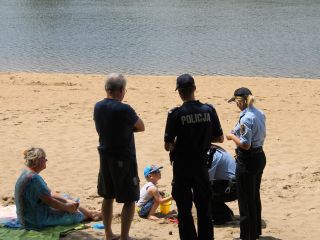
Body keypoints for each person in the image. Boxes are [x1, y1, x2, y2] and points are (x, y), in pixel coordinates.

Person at [164, 74, 224, 240]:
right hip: (201, 164)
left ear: (179, 92)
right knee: (204, 207)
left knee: (184, 210)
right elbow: (219, 138)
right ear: (195, 89)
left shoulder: (175, 114)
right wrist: (203, 139)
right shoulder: (208, 110)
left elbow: (167, 145)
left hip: (182, 166)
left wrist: (178, 143)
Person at [94, 73, 145, 240]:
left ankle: (108, 233)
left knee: (108, 196)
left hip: (105, 155)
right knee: (130, 198)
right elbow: (141, 126)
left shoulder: (98, 106)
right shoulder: (124, 109)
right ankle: (124, 236)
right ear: (121, 90)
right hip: (123, 157)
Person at [14, 147, 100, 230]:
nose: (46, 160)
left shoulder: (27, 173)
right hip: (34, 221)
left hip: (27, 216)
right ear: (38, 160)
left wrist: (67, 201)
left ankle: (90, 213)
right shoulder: (34, 179)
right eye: (44, 158)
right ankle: (90, 215)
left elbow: (49, 193)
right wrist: (66, 207)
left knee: (66, 197)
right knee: (75, 215)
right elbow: (51, 202)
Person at [226, 87, 266, 240]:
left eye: (236, 102)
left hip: (248, 159)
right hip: (260, 156)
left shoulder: (246, 118)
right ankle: (255, 232)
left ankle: (247, 235)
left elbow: (245, 144)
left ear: (240, 101)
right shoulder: (260, 113)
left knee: (244, 199)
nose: (235, 105)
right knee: (254, 195)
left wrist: (231, 137)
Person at [207, 144, 237, 225]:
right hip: (233, 185)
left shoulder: (211, 154)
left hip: (232, 188)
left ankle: (223, 216)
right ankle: (225, 212)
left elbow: (206, 180)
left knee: (200, 192)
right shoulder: (214, 150)